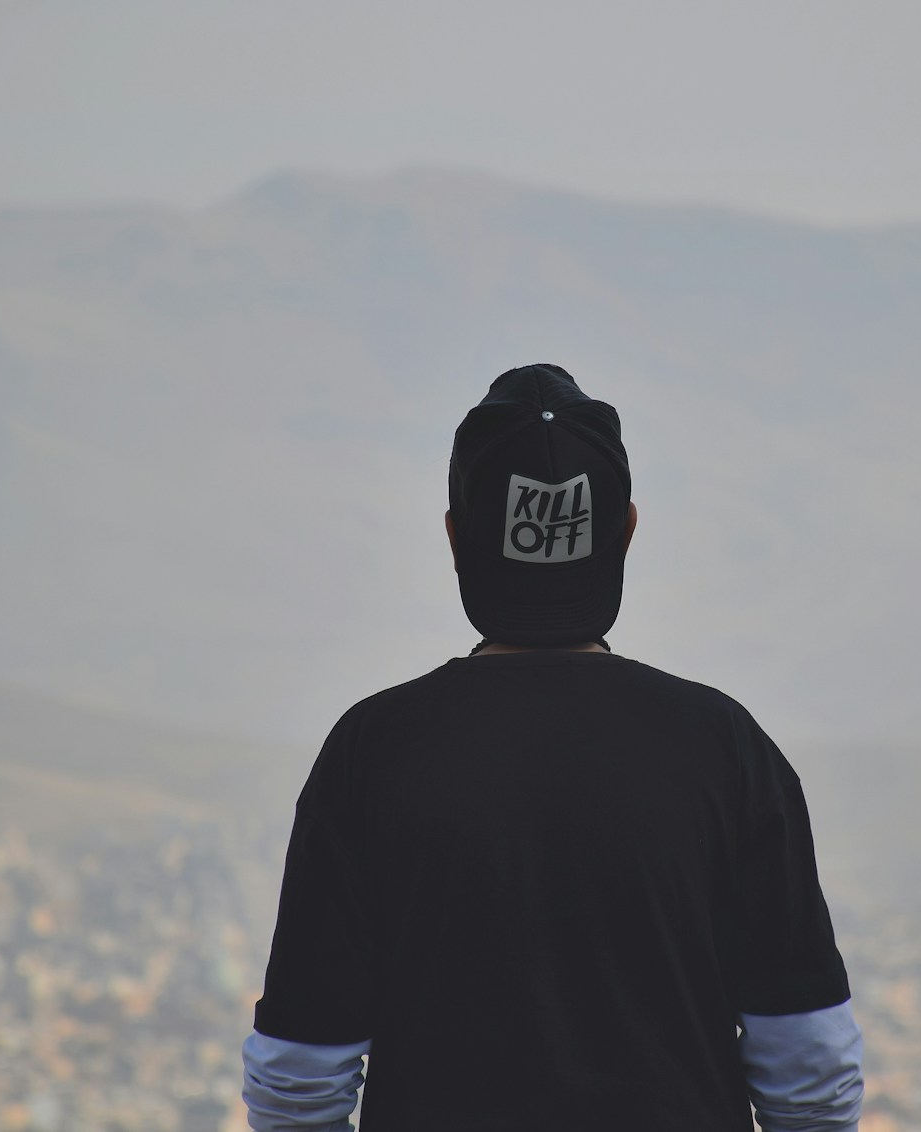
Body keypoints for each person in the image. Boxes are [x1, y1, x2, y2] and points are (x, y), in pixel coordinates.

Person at [242, 364, 864, 1131]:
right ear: (627, 529)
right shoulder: (725, 747)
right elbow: (810, 1069)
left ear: (453, 535)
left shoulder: (371, 751)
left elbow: (299, 1076)